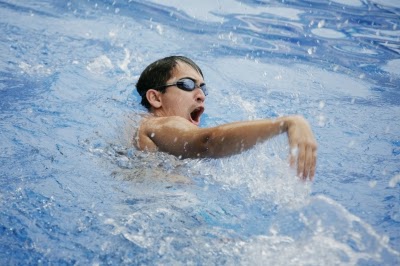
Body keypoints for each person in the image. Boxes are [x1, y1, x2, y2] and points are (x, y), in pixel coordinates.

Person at [135, 56, 317, 180]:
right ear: (156, 98)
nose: (201, 95)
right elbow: (208, 142)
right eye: (187, 84)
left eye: (203, 88)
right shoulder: (157, 125)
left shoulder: (143, 130)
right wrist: (286, 123)